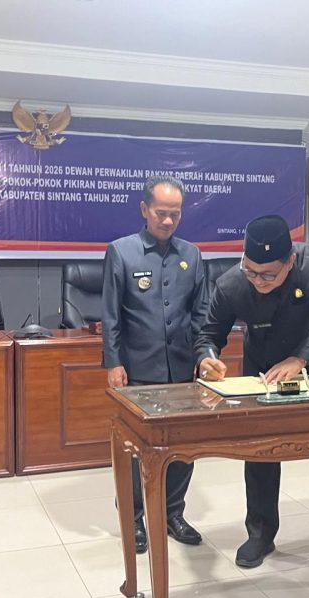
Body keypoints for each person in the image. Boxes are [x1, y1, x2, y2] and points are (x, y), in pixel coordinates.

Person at [195, 214, 309, 568]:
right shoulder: (232, 284)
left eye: (268, 274)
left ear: (290, 260)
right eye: (251, 271)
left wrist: (300, 359)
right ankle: (260, 533)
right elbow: (208, 334)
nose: (258, 280)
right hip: (263, 369)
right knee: (260, 450)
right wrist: (206, 359)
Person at [102, 175, 207, 553]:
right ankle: (133, 517)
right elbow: (111, 315)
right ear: (144, 209)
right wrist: (113, 362)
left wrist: (205, 357)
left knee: (183, 447)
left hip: (182, 370)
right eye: (161, 212)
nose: (168, 221)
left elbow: (202, 315)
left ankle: (172, 513)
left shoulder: (192, 255)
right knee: (136, 451)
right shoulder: (121, 252)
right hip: (138, 369)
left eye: (175, 214)